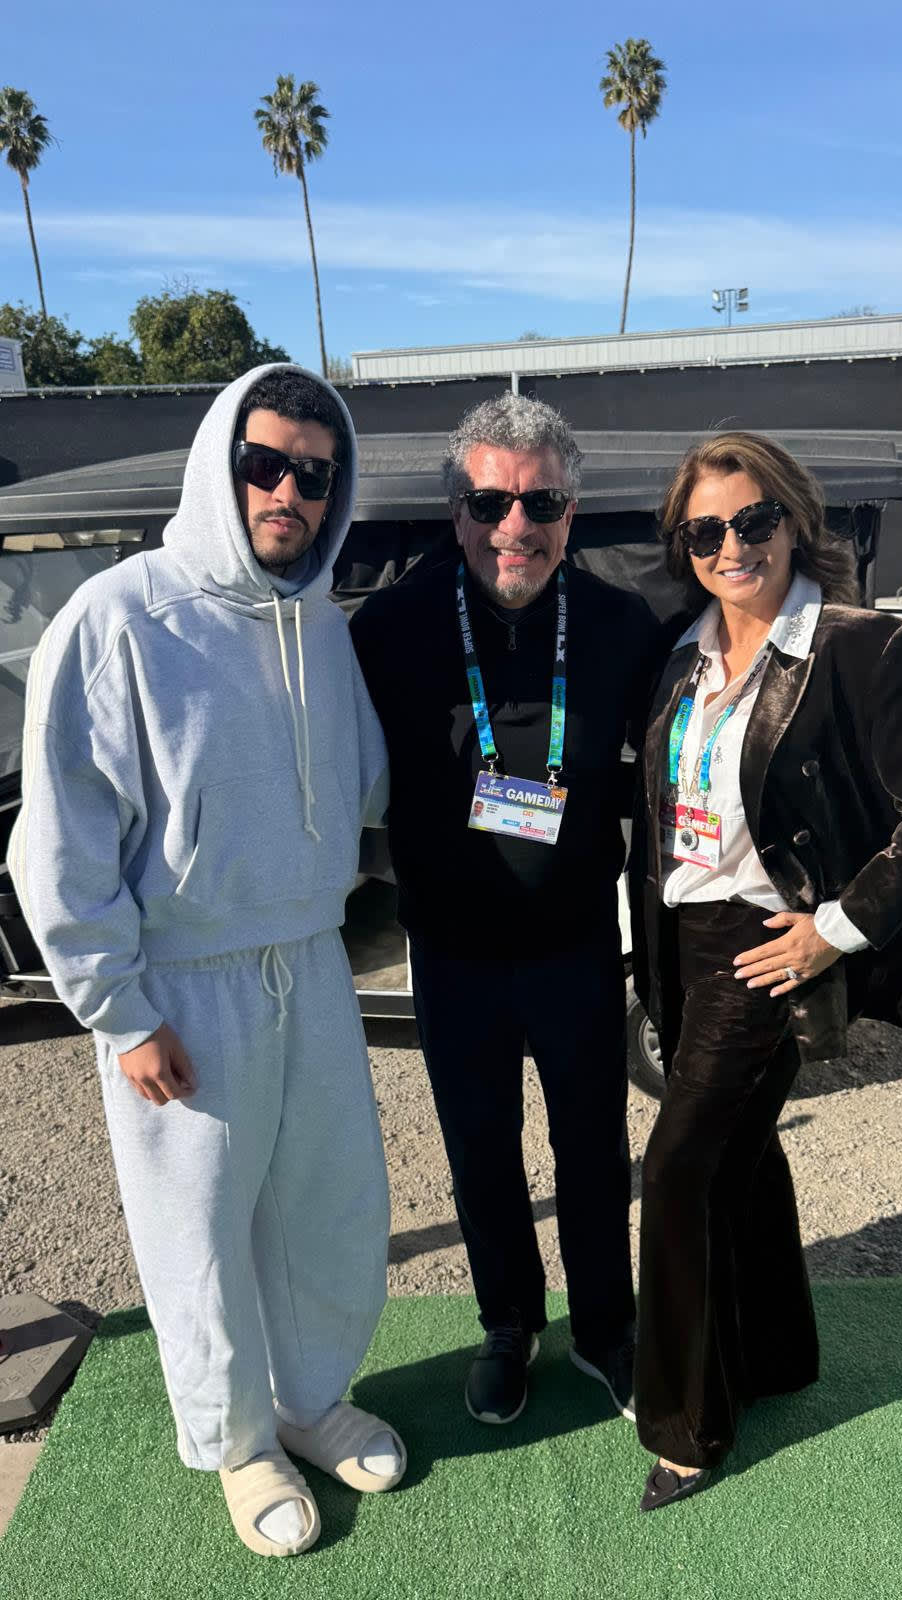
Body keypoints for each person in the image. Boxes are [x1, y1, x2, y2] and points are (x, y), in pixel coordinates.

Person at [10, 365, 405, 1558]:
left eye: (315, 476)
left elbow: (368, 785)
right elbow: (59, 839)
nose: (288, 491)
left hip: (308, 959)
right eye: (266, 463)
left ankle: (307, 1399)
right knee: (200, 1228)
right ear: (219, 462)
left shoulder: (321, 628)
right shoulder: (119, 618)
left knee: (326, 1205)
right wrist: (119, 1010)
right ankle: (237, 1444)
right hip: (184, 977)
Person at [630, 431, 902, 1512]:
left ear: (794, 520)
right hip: (680, 939)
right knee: (740, 1154)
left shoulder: (863, 645)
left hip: (769, 940)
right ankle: (780, 1351)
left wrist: (836, 926)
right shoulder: (680, 651)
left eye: (753, 521)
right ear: (683, 544)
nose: (732, 545)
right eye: (707, 529)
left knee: (681, 1164)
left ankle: (687, 1424)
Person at [351, 393, 660, 1426]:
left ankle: (606, 1329)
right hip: (452, 953)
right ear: (455, 508)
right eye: (489, 502)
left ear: (572, 512)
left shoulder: (622, 626)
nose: (513, 527)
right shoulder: (388, 628)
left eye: (541, 503)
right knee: (480, 1148)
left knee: (590, 1147)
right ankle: (509, 1322)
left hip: (576, 947)